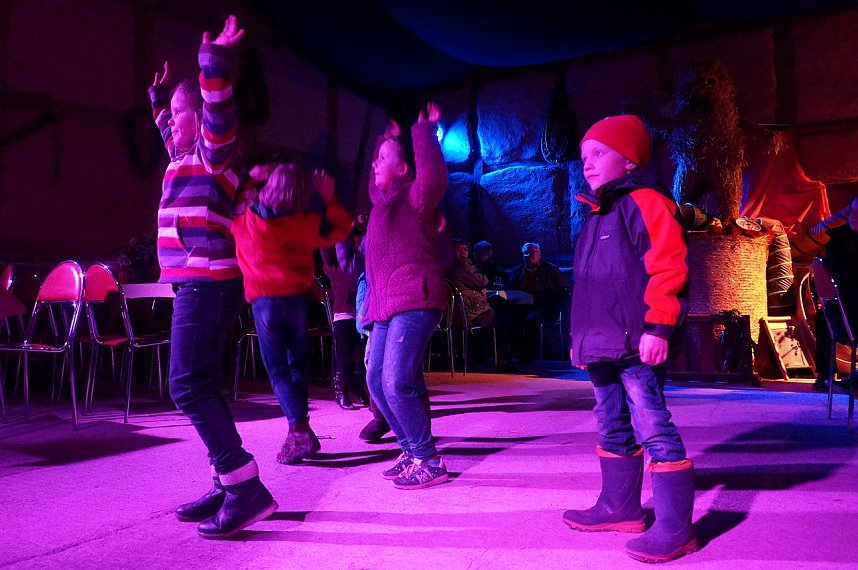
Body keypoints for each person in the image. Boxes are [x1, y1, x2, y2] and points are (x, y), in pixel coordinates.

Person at [149, 15, 276, 539]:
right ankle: (226, 482)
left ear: (200, 118)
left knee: (186, 384)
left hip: (207, 281)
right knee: (200, 382)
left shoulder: (213, 154)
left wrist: (214, 63)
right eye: (172, 116)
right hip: (194, 282)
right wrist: (158, 99)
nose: (173, 123)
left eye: (181, 114)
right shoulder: (181, 157)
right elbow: (167, 129)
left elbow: (216, 108)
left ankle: (244, 486)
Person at [563, 115, 696, 563]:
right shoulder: (594, 215)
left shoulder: (646, 201)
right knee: (610, 419)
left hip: (638, 341)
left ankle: (676, 527)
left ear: (630, 159)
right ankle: (619, 506)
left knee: (652, 422)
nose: (588, 164)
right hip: (599, 343)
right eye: (584, 157)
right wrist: (579, 340)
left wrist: (659, 326)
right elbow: (589, 285)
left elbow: (669, 265)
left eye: (599, 153)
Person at [232, 163, 353, 462]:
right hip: (298, 301)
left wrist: (250, 176)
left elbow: (226, 206)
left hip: (266, 303)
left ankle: (299, 431)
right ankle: (298, 434)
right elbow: (342, 227)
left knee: (277, 372)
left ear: (269, 187)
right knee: (297, 367)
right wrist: (329, 196)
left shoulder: (247, 219)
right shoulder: (307, 223)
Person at [361, 103, 449, 490]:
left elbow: (432, 177)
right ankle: (410, 451)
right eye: (375, 160)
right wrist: (386, 141)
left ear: (402, 169)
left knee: (397, 381)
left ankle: (429, 459)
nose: (375, 165)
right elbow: (374, 180)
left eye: (384, 160)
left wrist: (422, 132)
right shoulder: (382, 206)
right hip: (384, 307)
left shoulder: (414, 197)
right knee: (376, 383)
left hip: (414, 298)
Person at [321, 215, 370, 409]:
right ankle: (341, 390)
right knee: (345, 352)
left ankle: (358, 387)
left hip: (363, 311)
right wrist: (342, 229)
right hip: (344, 313)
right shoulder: (335, 266)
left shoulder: (363, 264)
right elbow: (325, 247)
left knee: (361, 351)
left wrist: (361, 225)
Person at [810, 196, 858, 392]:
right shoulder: (838, 239)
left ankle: (826, 377)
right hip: (849, 312)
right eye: (852, 211)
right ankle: (827, 376)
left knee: (824, 315)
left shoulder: (837, 237)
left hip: (843, 314)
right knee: (824, 314)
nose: (854, 216)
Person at [445, 238, 513, 369]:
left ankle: (477, 356)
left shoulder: (444, 265)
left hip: (450, 313)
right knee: (501, 319)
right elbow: (482, 281)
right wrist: (480, 287)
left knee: (492, 313)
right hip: (468, 313)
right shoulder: (463, 265)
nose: (464, 252)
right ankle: (502, 361)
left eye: (465, 249)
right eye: (460, 249)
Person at [508, 242, 570, 362]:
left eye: (532, 252)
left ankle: (529, 355)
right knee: (509, 318)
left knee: (531, 320)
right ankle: (512, 354)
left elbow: (564, 290)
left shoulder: (550, 270)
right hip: (522, 306)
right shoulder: (516, 272)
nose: (529, 255)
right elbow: (510, 289)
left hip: (544, 307)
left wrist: (554, 303)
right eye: (526, 253)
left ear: (539, 254)